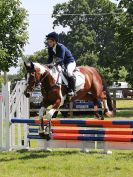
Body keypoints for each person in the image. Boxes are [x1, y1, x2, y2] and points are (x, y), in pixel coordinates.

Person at [46, 32, 76, 96]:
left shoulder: (61, 47)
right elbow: (50, 59)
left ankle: (72, 90)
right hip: (62, 63)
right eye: (48, 42)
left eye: (50, 42)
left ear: (55, 41)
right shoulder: (50, 48)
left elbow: (61, 58)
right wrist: (46, 65)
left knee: (69, 72)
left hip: (70, 62)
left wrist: (54, 64)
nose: (49, 43)